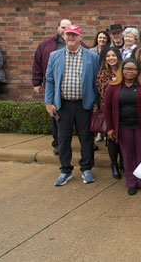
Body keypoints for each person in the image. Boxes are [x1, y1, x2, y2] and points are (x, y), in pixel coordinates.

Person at [45, 24, 99, 186]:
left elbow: (96, 81)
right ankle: (65, 170)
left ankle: (86, 169)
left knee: (86, 138)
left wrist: (96, 101)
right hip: (63, 105)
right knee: (63, 138)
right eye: (68, 34)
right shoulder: (54, 56)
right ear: (64, 36)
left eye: (74, 35)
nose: (71, 37)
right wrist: (48, 102)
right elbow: (49, 80)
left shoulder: (92, 57)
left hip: (84, 105)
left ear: (80, 37)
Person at [104, 58, 141, 195]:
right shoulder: (112, 86)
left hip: (140, 126)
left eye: (133, 69)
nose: (129, 72)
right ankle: (132, 182)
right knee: (128, 155)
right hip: (123, 127)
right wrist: (110, 128)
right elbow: (107, 109)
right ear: (122, 70)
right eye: (126, 69)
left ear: (138, 71)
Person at [33, 19, 72, 155]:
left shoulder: (79, 44)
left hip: (72, 87)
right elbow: (37, 63)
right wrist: (37, 82)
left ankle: (85, 143)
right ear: (58, 28)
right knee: (55, 117)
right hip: (54, 87)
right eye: (62, 27)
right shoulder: (46, 45)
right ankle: (57, 143)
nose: (64, 30)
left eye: (67, 27)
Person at [95, 47, 124, 179]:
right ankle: (114, 164)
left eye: (113, 55)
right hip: (110, 111)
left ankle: (124, 161)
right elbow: (104, 93)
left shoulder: (124, 71)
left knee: (124, 137)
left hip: (125, 109)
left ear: (118, 57)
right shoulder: (102, 74)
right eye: (108, 56)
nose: (111, 58)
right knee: (112, 138)